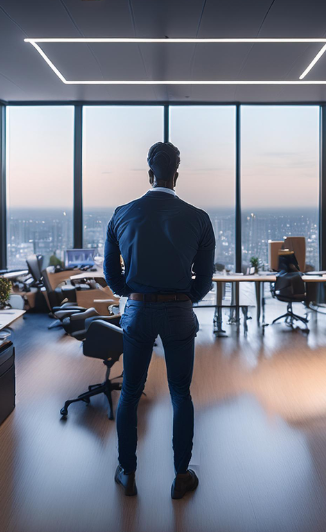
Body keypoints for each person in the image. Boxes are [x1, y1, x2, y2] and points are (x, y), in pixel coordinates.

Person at [104, 141, 215, 499]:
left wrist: (132, 294)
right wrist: (185, 299)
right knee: (181, 394)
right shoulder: (198, 218)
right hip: (180, 311)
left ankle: (127, 472)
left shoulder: (121, 213)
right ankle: (181, 477)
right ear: (176, 176)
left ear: (149, 174)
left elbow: (111, 272)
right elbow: (206, 278)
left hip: (136, 310)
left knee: (130, 393)